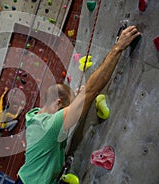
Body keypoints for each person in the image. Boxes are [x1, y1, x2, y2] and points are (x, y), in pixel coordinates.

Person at [16, 26, 141, 184]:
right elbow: (91, 91)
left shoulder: (35, 117)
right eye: (69, 107)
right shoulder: (50, 126)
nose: (72, 114)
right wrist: (118, 47)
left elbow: (83, 97)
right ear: (58, 103)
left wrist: (76, 100)